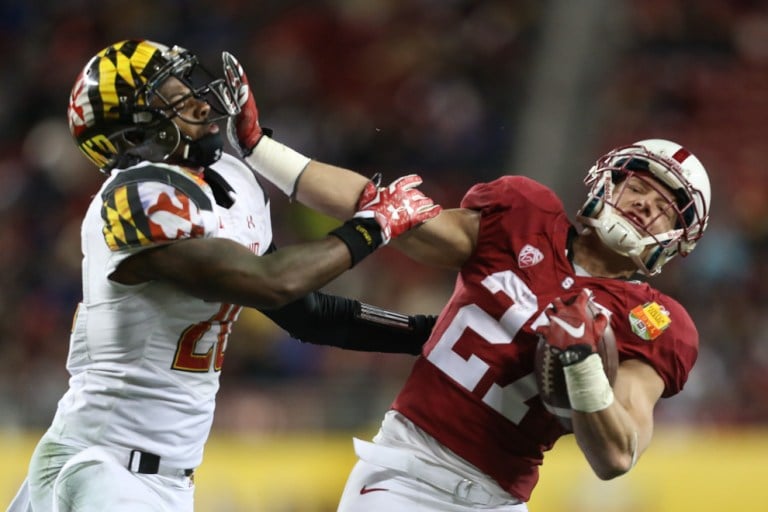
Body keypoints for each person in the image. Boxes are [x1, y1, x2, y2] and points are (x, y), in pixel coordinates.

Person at [226, 67, 711, 510]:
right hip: (407, 474)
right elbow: (384, 210)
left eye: (667, 207)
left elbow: (617, 456)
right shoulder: (524, 214)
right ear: (608, 180)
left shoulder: (653, 321)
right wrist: (258, 148)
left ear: (676, 239)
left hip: (500, 499)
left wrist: (583, 369)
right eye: (640, 187)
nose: (647, 206)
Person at [7, 39, 442, 512]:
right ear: (135, 136)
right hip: (103, 464)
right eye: (174, 100)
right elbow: (270, 281)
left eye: (187, 86)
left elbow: (307, 313)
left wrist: (432, 335)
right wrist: (374, 226)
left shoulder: (229, 180)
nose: (199, 101)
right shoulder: (134, 198)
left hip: (158, 476)